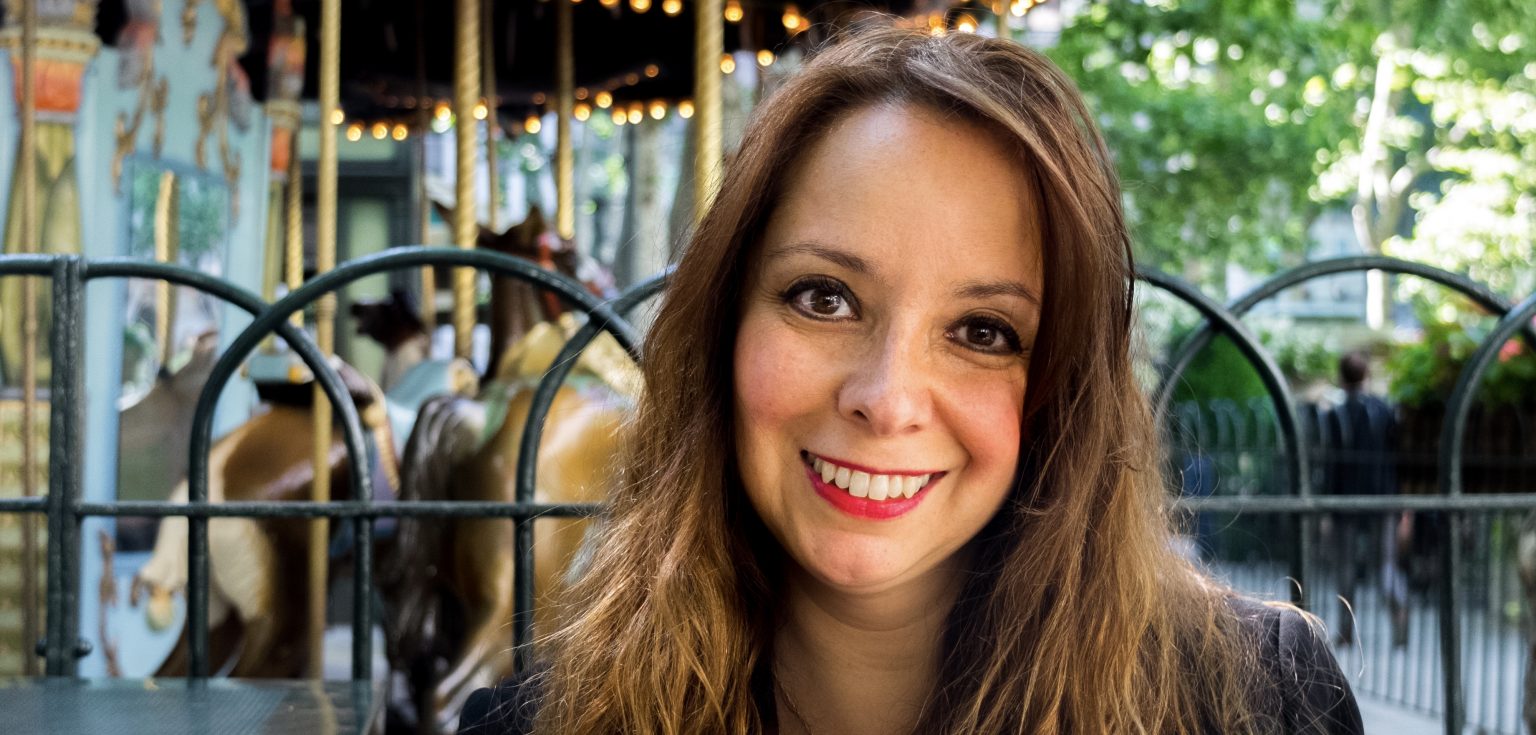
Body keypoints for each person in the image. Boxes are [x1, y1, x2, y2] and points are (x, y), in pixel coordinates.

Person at [460, 25, 1362, 734]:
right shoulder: (539, 724)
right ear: (724, 322)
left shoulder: (1258, 703)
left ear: (1060, 389)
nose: (887, 397)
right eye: (824, 297)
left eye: (982, 331)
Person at [1322, 351, 1409, 647]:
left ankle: (1346, 629)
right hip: (1383, 497)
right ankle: (1400, 621)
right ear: (1366, 375)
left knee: (1345, 567)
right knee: (1385, 565)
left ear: (1341, 377)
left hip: (1346, 499)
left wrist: (1327, 510)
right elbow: (1396, 459)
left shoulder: (1336, 414)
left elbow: (1332, 464)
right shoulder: (1385, 410)